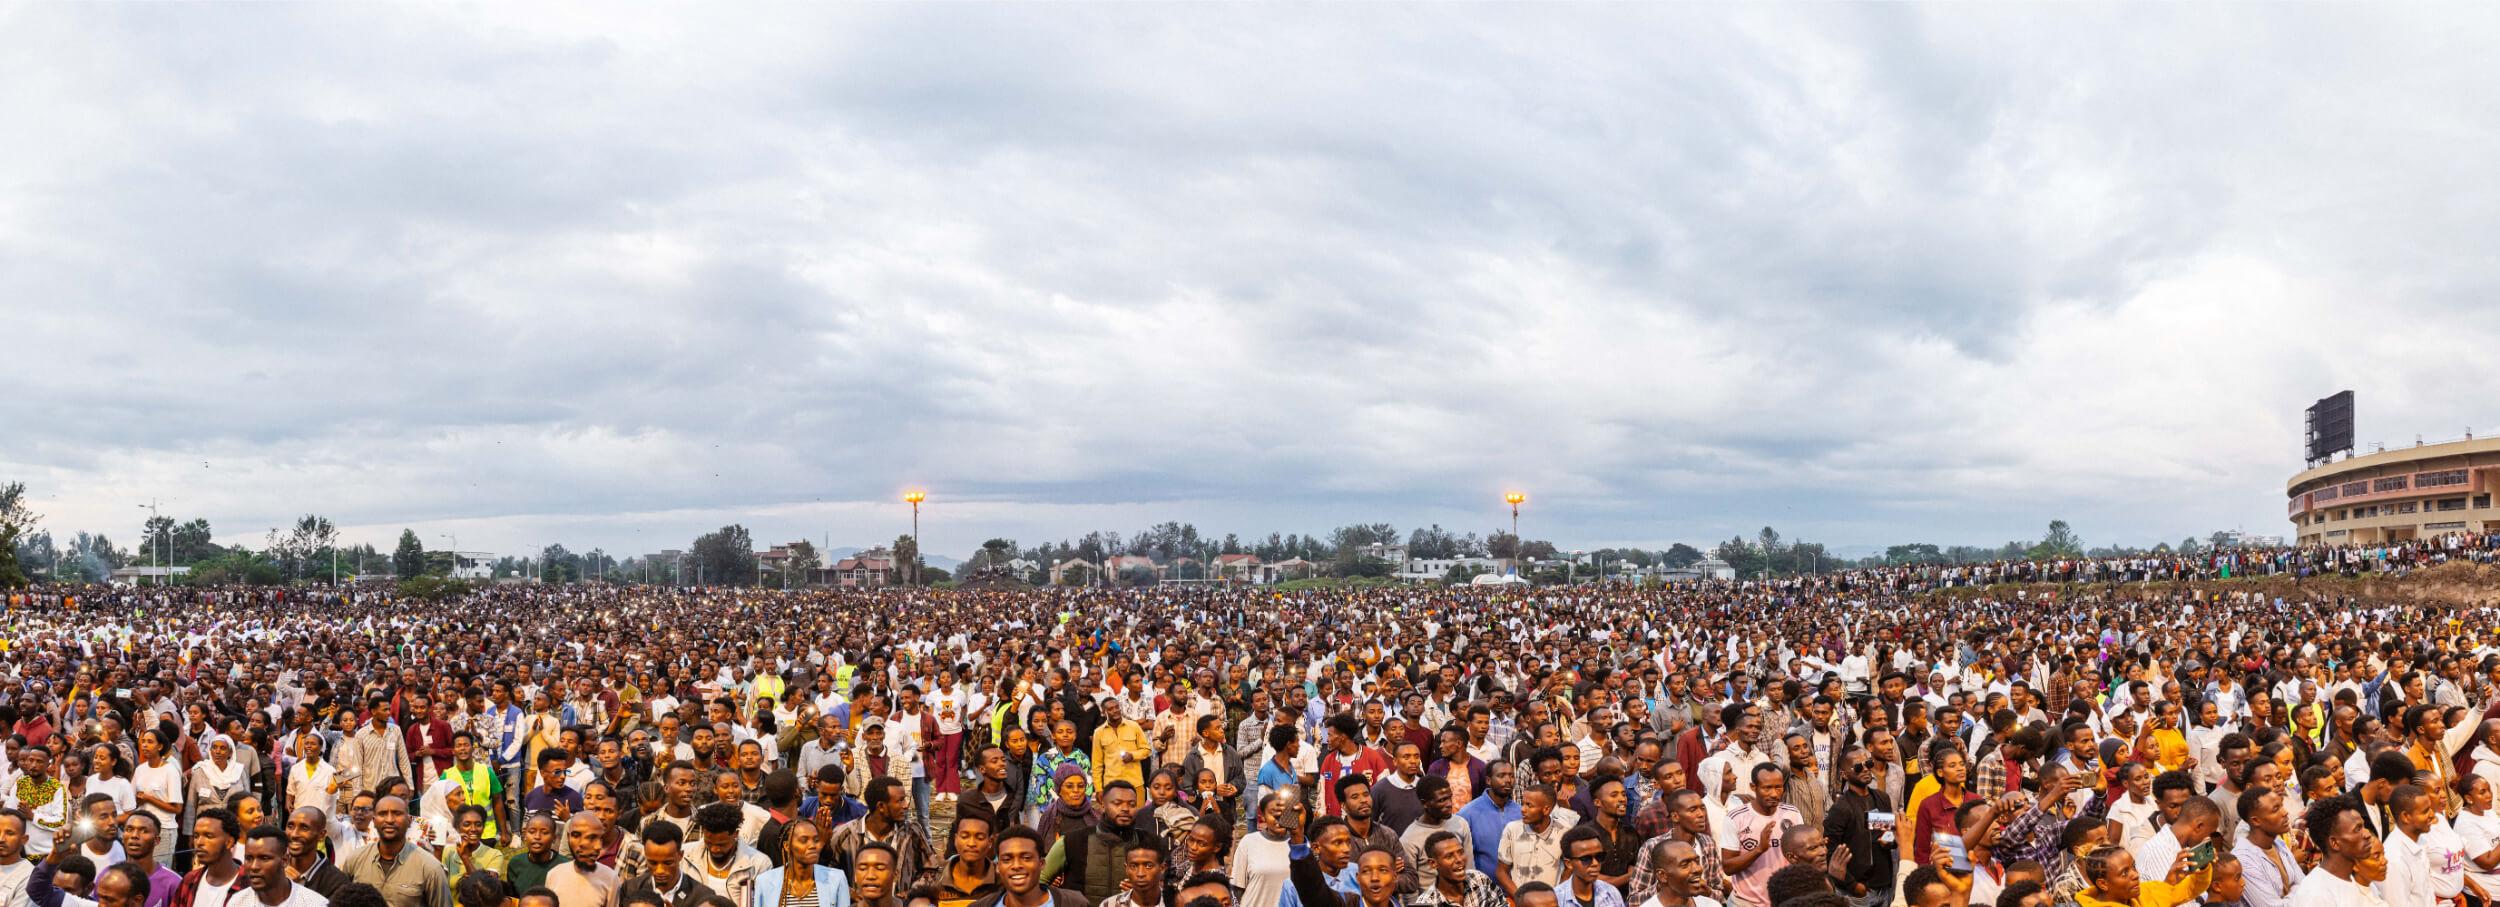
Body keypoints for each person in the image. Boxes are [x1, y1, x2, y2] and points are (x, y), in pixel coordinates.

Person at [1038, 781, 1159, 907]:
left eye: (1132, 804)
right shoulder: (1072, 841)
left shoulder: (1148, 842)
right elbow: (1039, 881)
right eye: (1117, 803)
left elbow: (1163, 886)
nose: (1125, 809)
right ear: (1102, 804)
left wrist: (1146, 890)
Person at [338, 796, 453, 907]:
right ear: (374, 821)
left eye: (397, 813)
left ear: (409, 821)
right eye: (383, 814)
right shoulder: (355, 860)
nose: (389, 820)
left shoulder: (430, 868)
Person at [2288, 795, 2389, 907]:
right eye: (2357, 829)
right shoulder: (2316, 895)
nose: (2367, 834)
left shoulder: (2355, 879)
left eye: (2363, 826)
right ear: (2335, 843)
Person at [685, 802, 769, 907]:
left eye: (721, 844)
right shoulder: (686, 856)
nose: (715, 849)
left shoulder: (759, 864)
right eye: (709, 843)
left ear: (736, 834)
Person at [2231, 787, 2304, 907]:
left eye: (2282, 805)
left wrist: (2296, 891)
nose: (2285, 812)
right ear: (2256, 820)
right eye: (2275, 809)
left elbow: (2303, 883)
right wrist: (2298, 890)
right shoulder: (2244, 860)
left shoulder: (2278, 842)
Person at [970, 829, 1080, 907]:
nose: (1016, 865)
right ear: (998, 867)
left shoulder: (1074, 903)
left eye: (1026, 858)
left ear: (1041, 863)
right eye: (1007, 859)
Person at [750, 819, 846, 907]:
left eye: (816, 840)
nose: (812, 845)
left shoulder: (836, 879)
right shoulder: (765, 882)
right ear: (787, 846)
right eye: (804, 840)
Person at [235, 826, 330, 907]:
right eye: (249, 858)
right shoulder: (238, 902)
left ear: (284, 860)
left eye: (264, 858)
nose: (254, 866)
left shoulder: (315, 904)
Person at [173, 808, 248, 907]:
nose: (199, 842)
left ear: (229, 842)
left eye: (208, 836)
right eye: (196, 836)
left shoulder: (249, 885)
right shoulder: (189, 879)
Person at [619, 821, 703, 907]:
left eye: (667, 863)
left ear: (680, 855)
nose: (660, 870)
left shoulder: (700, 895)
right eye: (653, 863)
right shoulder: (630, 888)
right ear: (645, 855)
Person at [546, 815, 621, 907]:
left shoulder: (610, 878)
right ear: (569, 837)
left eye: (593, 838)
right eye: (576, 836)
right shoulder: (554, 875)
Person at [1557, 826, 1626, 907]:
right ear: (1569, 864)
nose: (1595, 863)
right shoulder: (1556, 900)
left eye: (1599, 856)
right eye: (1586, 859)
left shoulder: (1611, 893)